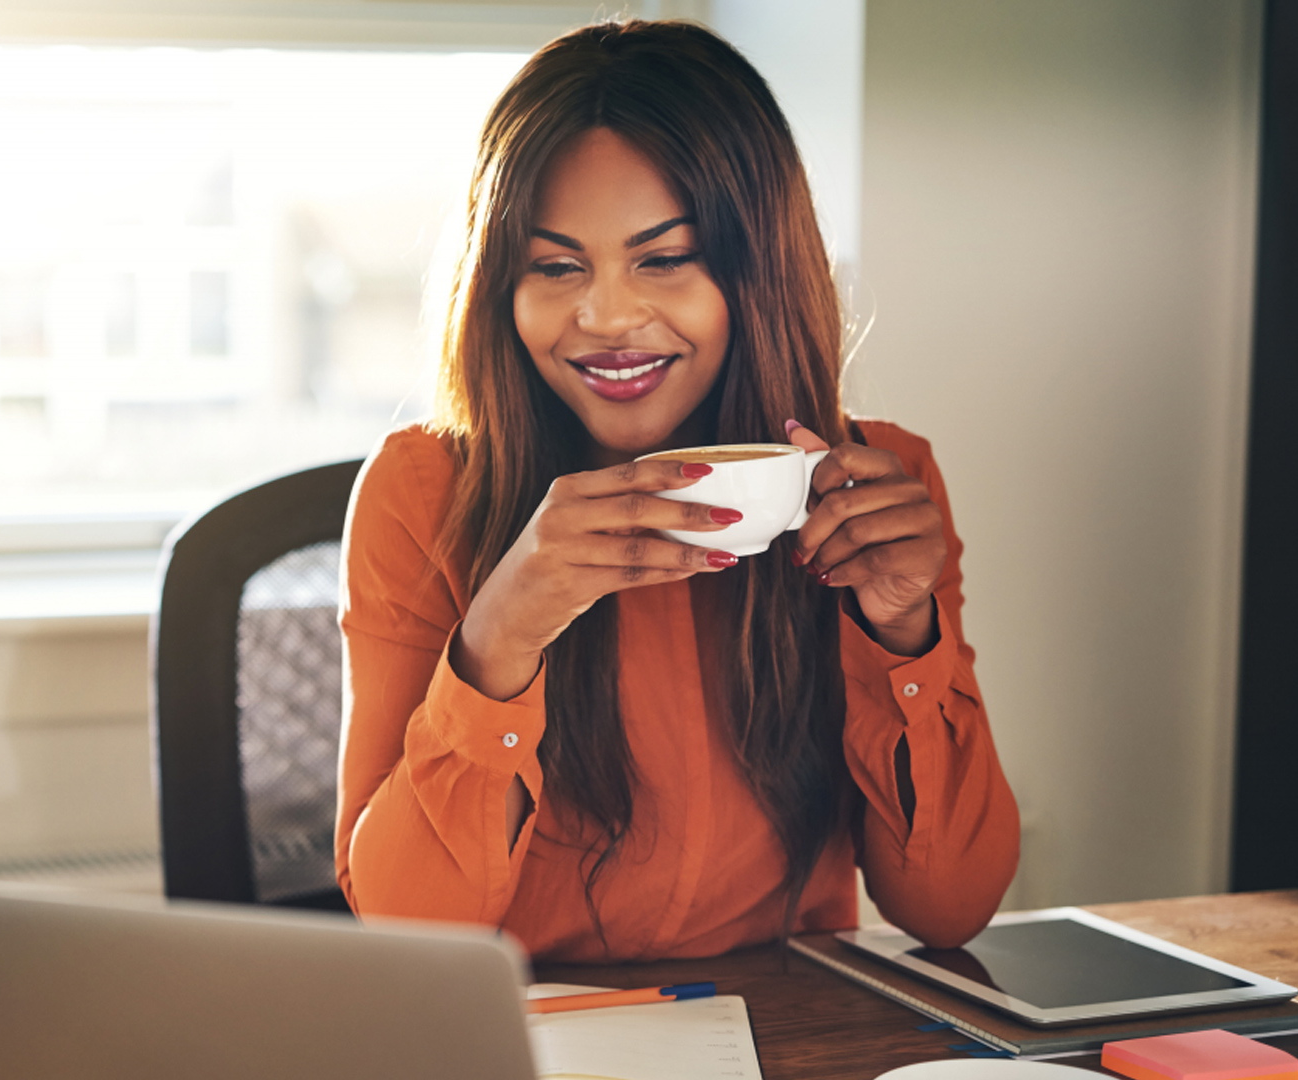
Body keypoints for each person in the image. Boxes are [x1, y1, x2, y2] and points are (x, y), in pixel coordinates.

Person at [335, 19, 1018, 963]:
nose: (606, 316)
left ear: (759, 272)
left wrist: (904, 632)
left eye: (664, 258)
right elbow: (406, 934)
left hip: (784, 1035)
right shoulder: (422, 493)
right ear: (502, 285)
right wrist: (500, 639)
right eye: (554, 266)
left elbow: (949, 909)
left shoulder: (876, 484)